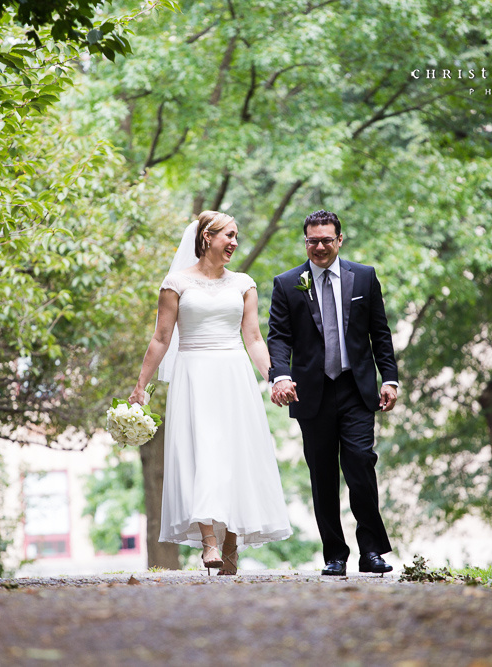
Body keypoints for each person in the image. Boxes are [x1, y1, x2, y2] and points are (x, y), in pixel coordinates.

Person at [128, 211, 292, 575]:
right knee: (203, 453)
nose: (234, 242)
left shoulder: (244, 283)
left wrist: (274, 377)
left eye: (236, 235)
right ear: (206, 237)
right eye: (228, 235)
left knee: (236, 456)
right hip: (194, 374)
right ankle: (209, 541)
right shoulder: (176, 283)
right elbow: (161, 337)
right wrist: (142, 385)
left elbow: (252, 338)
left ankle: (231, 545)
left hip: (234, 374)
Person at [267, 209, 398, 576]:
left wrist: (390, 378)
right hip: (311, 393)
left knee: (360, 465)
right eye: (313, 241)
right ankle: (334, 555)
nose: (320, 247)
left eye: (327, 240)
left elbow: (380, 333)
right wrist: (280, 375)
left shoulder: (365, 278)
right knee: (322, 475)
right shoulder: (287, 283)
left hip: (356, 390)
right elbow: (278, 337)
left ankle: (371, 552)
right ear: (305, 242)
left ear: (340, 240)